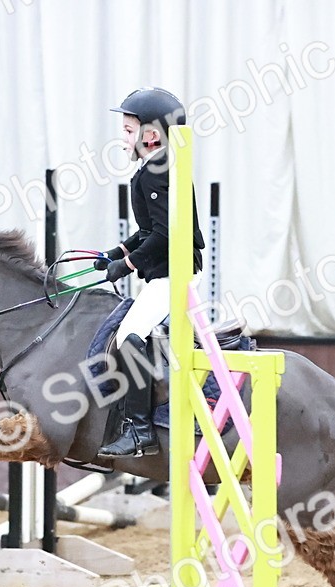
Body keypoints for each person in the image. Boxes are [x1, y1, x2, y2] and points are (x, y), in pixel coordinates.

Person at [94, 87, 205, 458]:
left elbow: (165, 235)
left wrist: (125, 266)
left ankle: (141, 432)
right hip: (168, 272)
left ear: (152, 135)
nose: (122, 138)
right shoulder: (155, 168)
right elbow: (148, 232)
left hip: (174, 275)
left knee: (128, 338)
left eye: (128, 131)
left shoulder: (156, 172)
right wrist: (116, 252)